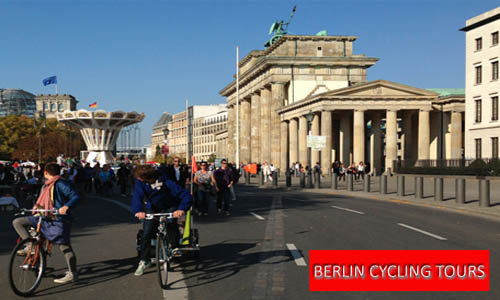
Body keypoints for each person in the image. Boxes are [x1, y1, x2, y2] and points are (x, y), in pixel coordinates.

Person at [12, 162, 80, 284]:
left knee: (64, 246)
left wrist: (66, 206)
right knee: (18, 222)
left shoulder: (61, 183)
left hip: (58, 219)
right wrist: (36, 206)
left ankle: (72, 273)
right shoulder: (46, 185)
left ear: (45, 173)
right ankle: (30, 247)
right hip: (43, 217)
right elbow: (41, 200)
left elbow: (75, 196)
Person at [131, 165, 192, 276]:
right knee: (147, 231)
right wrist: (138, 211)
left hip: (169, 205)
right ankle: (145, 260)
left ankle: (174, 247)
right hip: (153, 207)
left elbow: (185, 195)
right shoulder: (140, 183)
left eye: (140, 177)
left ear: (148, 177)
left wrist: (181, 209)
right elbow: (137, 197)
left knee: (171, 221)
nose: (138, 179)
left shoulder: (166, 181)